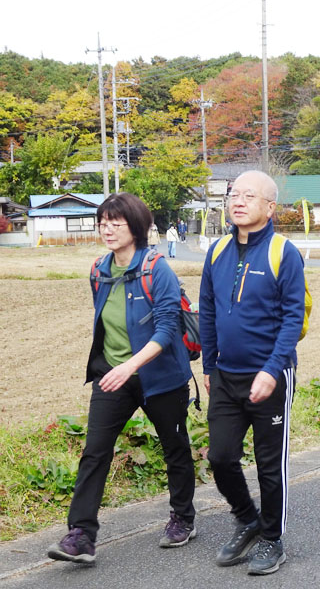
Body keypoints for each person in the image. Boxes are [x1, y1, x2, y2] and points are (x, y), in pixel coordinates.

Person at [47, 192, 196, 564]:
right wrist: (115, 367)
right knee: (94, 451)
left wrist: (132, 365)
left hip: (161, 377)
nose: (107, 228)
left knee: (174, 448)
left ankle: (183, 516)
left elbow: (166, 328)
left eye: (116, 222)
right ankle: (81, 534)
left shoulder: (156, 268)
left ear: (137, 227)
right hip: (113, 376)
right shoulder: (99, 269)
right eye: (103, 222)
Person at [199, 170, 306, 576]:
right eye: (233, 194)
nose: (238, 201)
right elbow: (206, 310)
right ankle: (247, 519)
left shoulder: (283, 252)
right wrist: (209, 366)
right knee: (221, 457)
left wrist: (272, 370)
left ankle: (272, 539)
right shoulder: (217, 250)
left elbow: (292, 318)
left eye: (248, 195)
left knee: (268, 464)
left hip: (270, 376)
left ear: (269, 206)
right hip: (225, 375)